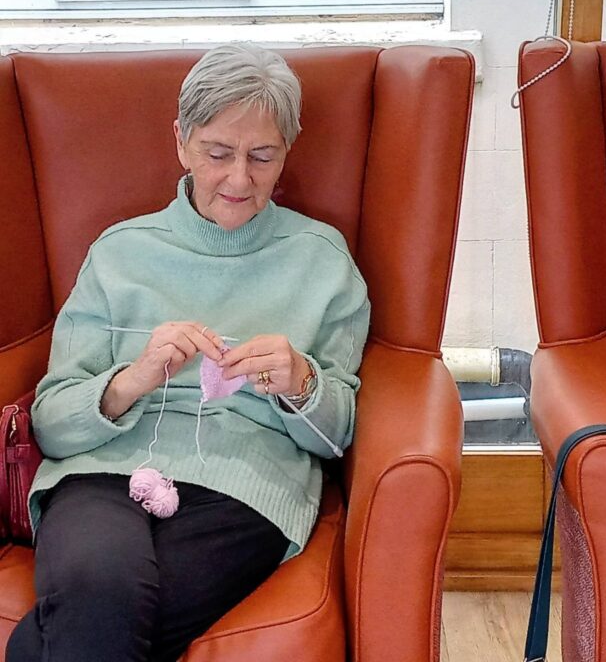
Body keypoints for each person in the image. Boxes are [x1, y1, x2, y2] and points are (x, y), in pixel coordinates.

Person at [6, 44, 370, 662]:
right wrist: (134, 379)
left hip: (248, 486)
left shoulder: (323, 261)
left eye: (262, 156)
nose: (239, 179)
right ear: (181, 142)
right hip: (100, 474)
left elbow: (335, 440)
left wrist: (302, 382)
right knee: (98, 587)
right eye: (218, 154)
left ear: (288, 149)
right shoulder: (120, 253)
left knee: (88, 624)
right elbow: (52, 422)